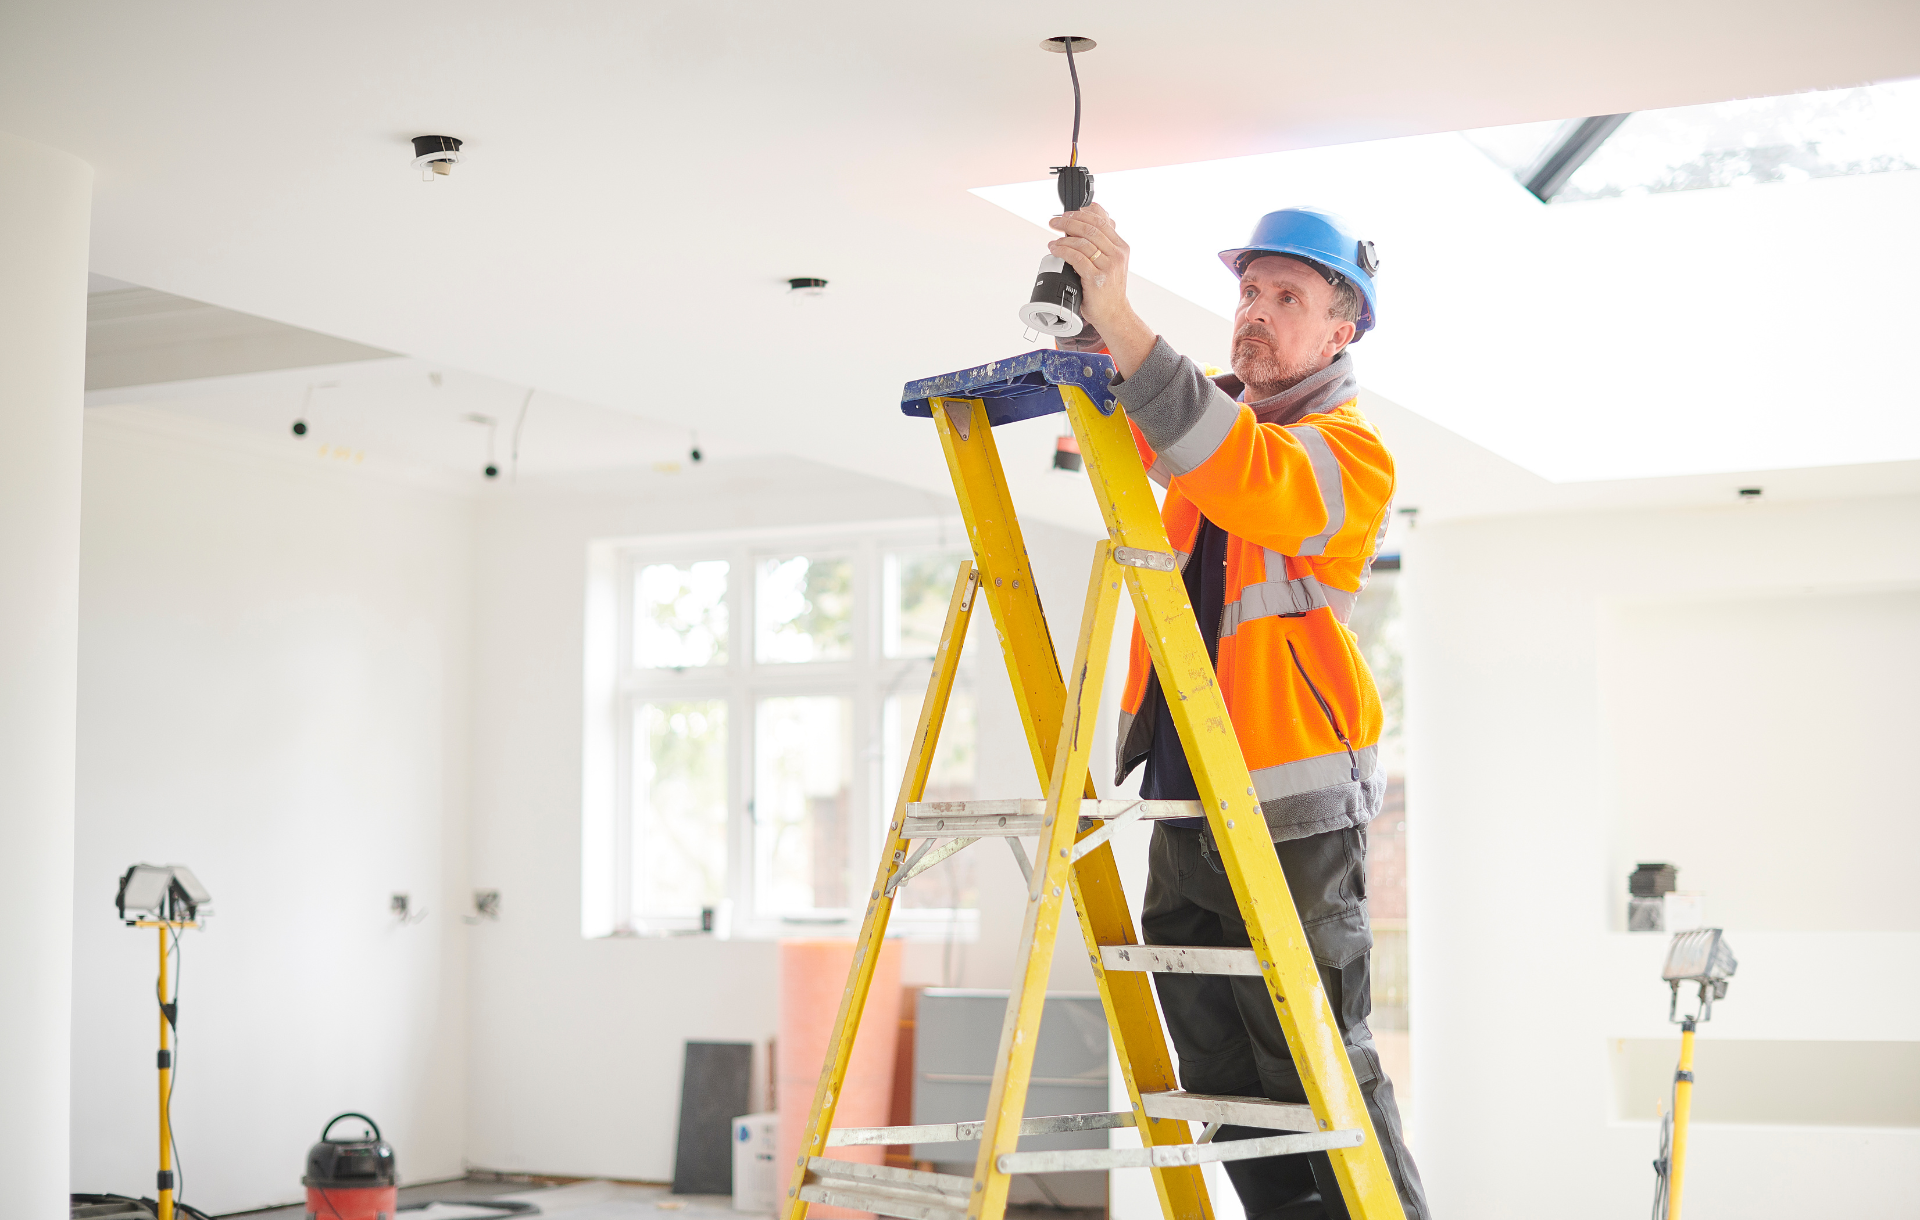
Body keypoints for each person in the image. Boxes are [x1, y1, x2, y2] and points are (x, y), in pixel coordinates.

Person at [1045, 204, 1428, 1220]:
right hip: (1187, 794)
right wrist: (1088, 322)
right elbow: (1152, 436)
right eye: (1248, 292)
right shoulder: (1212, 427)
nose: (1254, 313)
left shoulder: (1347, 452)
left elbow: (1242, 472)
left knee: (1310, 1050)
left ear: (1340, 332)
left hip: (1287, 803)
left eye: (1286, 297)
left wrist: (1126, 323)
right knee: (1218, 1057)